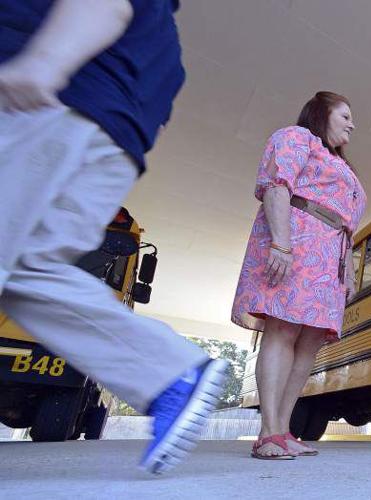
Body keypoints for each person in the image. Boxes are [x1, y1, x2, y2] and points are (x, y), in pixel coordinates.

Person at [0, 0, 227, 475]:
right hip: (111, 146)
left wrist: (43, 62)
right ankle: (169, 373)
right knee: (27, 270)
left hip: (46, 105)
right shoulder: (168, 51)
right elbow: (156, 122)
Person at [232, 91, 366, 460]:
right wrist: (281, 244)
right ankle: (268, 433)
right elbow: (278, 186)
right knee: (284, 330)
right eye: (345, 116)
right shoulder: (297, 137)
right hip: (299, 243)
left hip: (330, 259)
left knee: (309, 344)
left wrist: (348, 271)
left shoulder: (341, 164)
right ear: (322, 113)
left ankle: (283, 429)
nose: (352, 125)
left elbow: (347, 226)